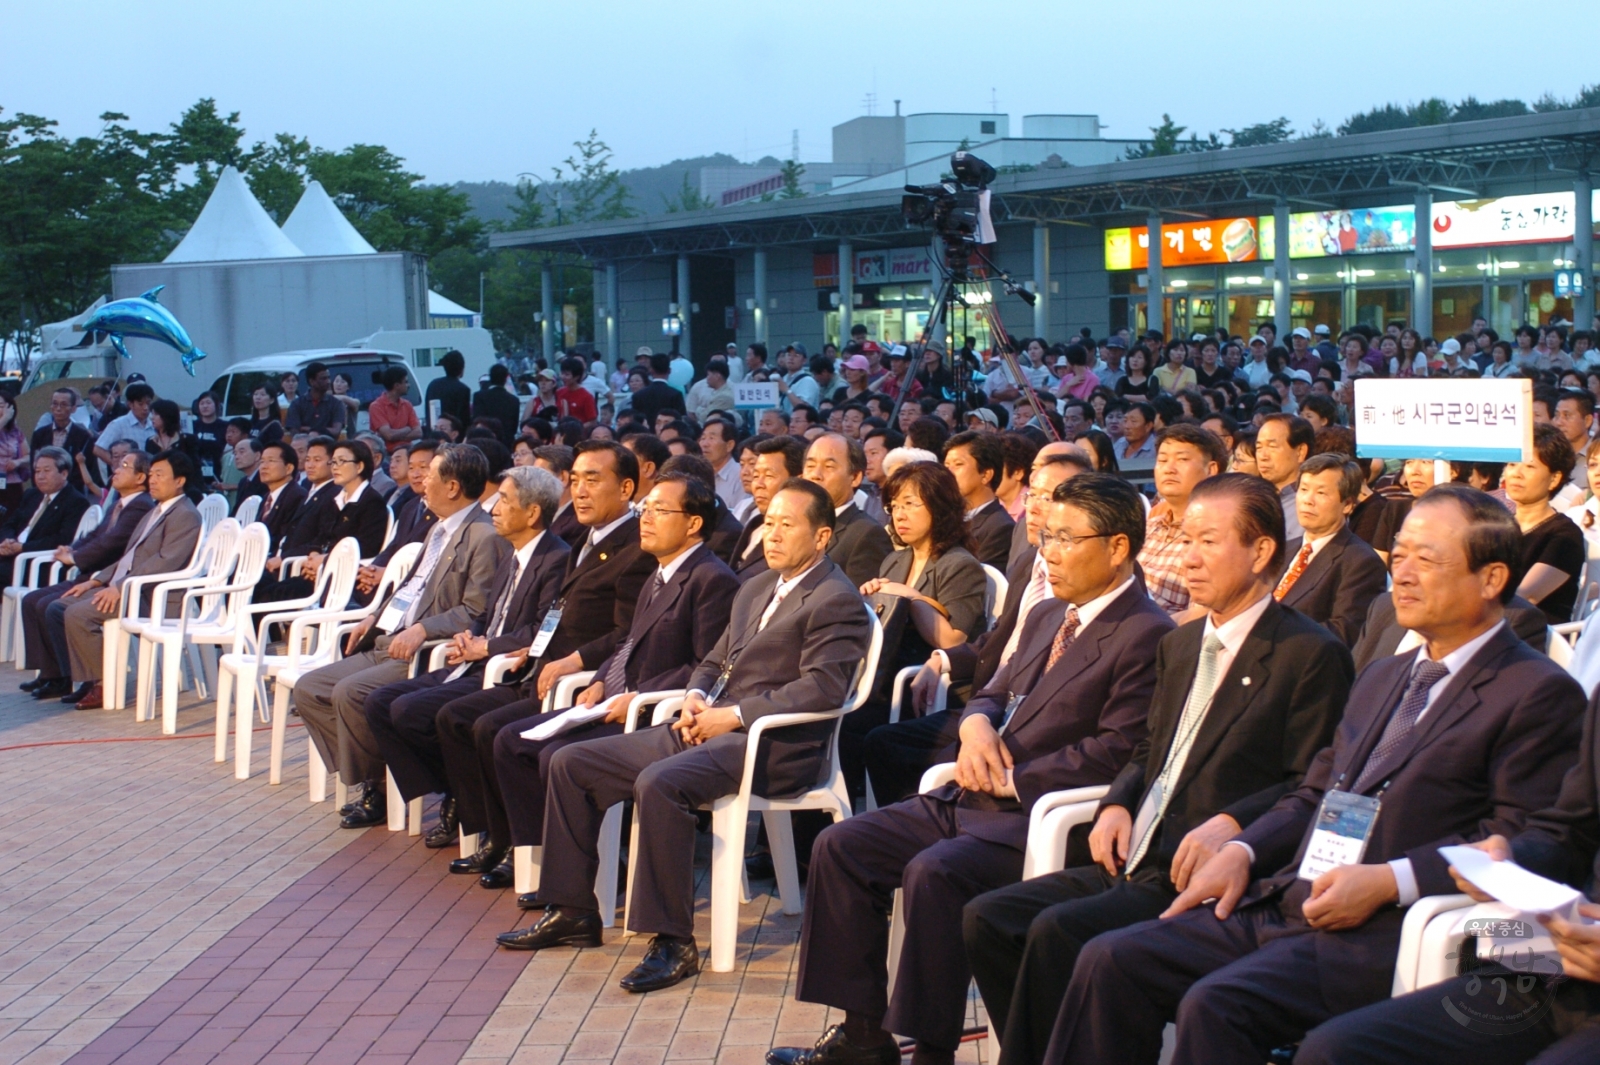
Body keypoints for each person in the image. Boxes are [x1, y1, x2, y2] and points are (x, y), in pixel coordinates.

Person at [1043, 485, 1586, 1065]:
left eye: (1425, 560)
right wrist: (1245, 851)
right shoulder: (1384, 675)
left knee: (1217, 1004)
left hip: (1387, 924)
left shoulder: (1534, 692)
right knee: (1110, 958)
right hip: (1290, 891)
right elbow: (1315, 793)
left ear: (1492, 577)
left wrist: (1390, 880)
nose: (1401, 574)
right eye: (1397, 555)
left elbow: (1521, 843)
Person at [774, 474, 1174, 1065]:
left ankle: (931, 1048)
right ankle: (863, 1034)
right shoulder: (1046, 615)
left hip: (1035, 814)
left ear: (1118, 547)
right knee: (840, 846)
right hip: (967, 796)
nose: (1049, 552)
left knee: (935, 873)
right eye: (1047, 537)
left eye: (1067, 538)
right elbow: (990, 688)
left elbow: (1120, 749)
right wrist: (975, 723)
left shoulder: (1147, 633)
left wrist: (1012, 778)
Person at [962, 473, 1353, 1065]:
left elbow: (1310, 783)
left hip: (1198, 865)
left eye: (1208, 543)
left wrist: (1232, 822)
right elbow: (1150, 747)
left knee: (1060, 933)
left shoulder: (1308, 652)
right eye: (1186, 541)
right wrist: (1118, 800)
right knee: (991, 918)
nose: (1189, 560)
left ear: (1262, 550)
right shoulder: (1182, 642)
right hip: (1136, 848)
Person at [513, 478, 871, 993]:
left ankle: (672, 941)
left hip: (774, 745)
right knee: (572, 762)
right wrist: (698, 695)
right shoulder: (757, 587)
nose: (772, 535)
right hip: (709, 727)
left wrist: (736, 715)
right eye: (768, 522)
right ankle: (572, 909)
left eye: (787, 525)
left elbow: (822, 690)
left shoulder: (835, 599)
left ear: (821, 537)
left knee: (660, 782)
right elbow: (712, 660)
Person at [1295, 693, 1600, 1064]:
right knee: (1335, 1050)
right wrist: (1508, 859)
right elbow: (1572, 830)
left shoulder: (1536, 689)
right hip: (1565, 968)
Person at [490, 472, 740, 916]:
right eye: (646, 510)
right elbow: (628, 643)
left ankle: (580, 890)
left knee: (558, 756)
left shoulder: (710, 579)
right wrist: (603, 678)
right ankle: (545, 863)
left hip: (655, 712)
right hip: (617, 701)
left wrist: (640, 693)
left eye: (660, 511)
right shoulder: (660, 573)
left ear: (694, 523)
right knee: (513, 740)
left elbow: (706, 664)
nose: (645, 520)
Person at [434, 441, 655, 884]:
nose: (581, 491)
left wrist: (576, 658)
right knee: (458, 717)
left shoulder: (635, 547)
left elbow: (628, 631)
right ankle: (496, 835)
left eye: (594, 480)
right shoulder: (587, 539)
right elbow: (558, 613)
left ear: (627, 487)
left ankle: (527, 850)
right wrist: (531, 649)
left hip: (581, 679)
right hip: (540, 666)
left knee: (495, 732)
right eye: (575, 481)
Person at [293, 444, 509, 828]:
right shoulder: (438, 528)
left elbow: (476, 611)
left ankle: (376, 788)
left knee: (350, 693)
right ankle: (376, 771)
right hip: (387, 638)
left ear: (454, 486)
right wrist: (375, 615)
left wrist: (423, 628)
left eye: (431, 475)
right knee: (309, 688)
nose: (422, 482)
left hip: (423, 650)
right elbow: (411, 586)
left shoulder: (483, 535)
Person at [866, 451, 1092, 807]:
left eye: (1048, 498)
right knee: (877, 740)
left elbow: (960, 636)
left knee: (883, 739)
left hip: (1026, 711)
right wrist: (941, 660)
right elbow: (998, 642)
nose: (1032, 507)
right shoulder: (1026, 567)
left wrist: (912, 599)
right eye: (1031, 495)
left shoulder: (1088, 584)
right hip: (990, 696)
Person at [364, 465, 570, 849]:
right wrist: (470, 636)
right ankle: (454, 790)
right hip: (476, 659)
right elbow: (489, 614)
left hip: (505, 670)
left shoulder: (556, 558)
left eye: (504, 500)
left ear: (532, 513)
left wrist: (487, 647)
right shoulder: (512, 553)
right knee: (381, 703)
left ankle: (472, 811)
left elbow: (542, 629)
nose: (493, 508)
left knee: (425, 713)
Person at [55, 451, 203, 710]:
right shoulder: (156, 510)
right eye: (152, 475)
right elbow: (130, 557)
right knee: (60, 606)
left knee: (79, 614)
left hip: (150, 597)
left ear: (179, 481)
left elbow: (165, 561)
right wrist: (97, 581)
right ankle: (89, 677)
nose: (152, 481)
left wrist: (121, 587)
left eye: (160, 475)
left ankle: (103, 684)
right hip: (130, 587)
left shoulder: (185, 515)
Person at [20, 451, 154, 700]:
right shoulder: (119, 503)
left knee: (51, 606)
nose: (116, 469)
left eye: (125, 466)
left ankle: (84, 678)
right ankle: (54, 673)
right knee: (31, 601)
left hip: (106, 576)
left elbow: (112, 544)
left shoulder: (141, 506)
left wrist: (74, 559)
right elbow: (96, 535)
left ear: (140, 478)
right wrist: (73, 549)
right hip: (92, 574)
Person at [1276, 454, 1389, 646]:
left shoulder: (1361, 562)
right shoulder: (1284, 549)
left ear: (1347, 504)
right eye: (1303, 489)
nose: (1308, 500)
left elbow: (1345, 631)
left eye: (1321, 493)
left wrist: (1273, 633)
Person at [1504, 422, 1586, 625]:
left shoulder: (1565, 537)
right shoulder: (1498, 524)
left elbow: (1526, 597)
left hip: (1532, 639)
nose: (1516, 474)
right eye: (1512, 464)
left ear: (1554, 478)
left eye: (1530, 466)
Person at [1141, 424, 1226, 616]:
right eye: (1162, 460)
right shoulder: (1148, 526)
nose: (1169, 469)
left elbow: (1202, 616)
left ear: (1211, 470)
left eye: (1182, 459)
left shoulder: (1216, 536)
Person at [805, 433, 893, 590]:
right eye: (810, 466)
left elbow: (857, 605)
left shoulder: (867, 535)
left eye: (829, 467)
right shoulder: (796, 525)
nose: (815, 475)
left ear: (855, 477)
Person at [0, 448, 89, 589]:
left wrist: (22, 547)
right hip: (11, 555)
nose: (40, 476)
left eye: (46, 471)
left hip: (37, 563)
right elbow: (10, 523)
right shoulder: (32, 494)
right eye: (37, 471)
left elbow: (62, 539)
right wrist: (7, 541)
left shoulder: (75, 502)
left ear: (64, 473)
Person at [731, 437, 805, 584]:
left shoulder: (803, 535)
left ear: (797, 481)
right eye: (756, 475)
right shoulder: (755, 524)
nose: (758, 484)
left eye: (769, 476)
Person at [944, 430, 1015, 571]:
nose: (948, 472)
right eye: (946, 465)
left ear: (986, 475)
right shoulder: (946, 518)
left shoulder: (1000, 528)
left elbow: (973, 577)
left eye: (958, 464)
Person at [1254, 413, 1313, 542]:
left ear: (1300, 451)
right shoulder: (1252, 497)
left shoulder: (1312, 503)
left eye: (1272, 447)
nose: (1263, 456)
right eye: (1259, 447)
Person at [31, 389, 96, 492]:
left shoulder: (83, 435)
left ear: (73, 408)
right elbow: (33, 465)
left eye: (64, 405)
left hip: (72, 491)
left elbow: (85, 467)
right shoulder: (40, 434)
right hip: (43, 490)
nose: (58, 408)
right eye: (55, 404)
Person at [91, 383, 154, 472]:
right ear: (130, 404)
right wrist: (120, 466)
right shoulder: (118, 424)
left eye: (148, 403)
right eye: (140, 404)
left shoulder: (154, 424)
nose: (146, 408)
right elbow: (98, 449)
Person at [698, 417, 748, 516]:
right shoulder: (698, 474)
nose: (704, 444)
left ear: (729, 445)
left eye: (711, 438)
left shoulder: (741, 475)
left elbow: (741, 517)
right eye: (703, 438)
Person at [367, 366, 421, 454]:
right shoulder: (376, 406)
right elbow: (389, 435)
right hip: (387, 454)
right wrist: (407, 429)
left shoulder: (407, 405)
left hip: (408, 451)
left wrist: (394, 437)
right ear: (396, 386)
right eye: (406, 382)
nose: (409, 385)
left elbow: (419, 433)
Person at [285, 362, 347, 437]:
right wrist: (324, 430)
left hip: (328, 446)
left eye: (328, 377)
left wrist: (309, 429)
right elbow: (294, 433)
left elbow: (336, 431)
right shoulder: (297, 404)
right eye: (323, 378)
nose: (328, 381)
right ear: (312, 381)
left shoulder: (336, 404)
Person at [630, 353, 687, 428]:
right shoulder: (676, 394)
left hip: (645, 437)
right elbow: (681, 421)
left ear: (651, 370)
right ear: (669, 371)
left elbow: (636, 423)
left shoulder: (638, 395)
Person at [425, 349, 473, 430]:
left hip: (433, 433)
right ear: (462, 368)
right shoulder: (463, 389)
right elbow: (464, 419)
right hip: (453, 435)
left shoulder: (433, 385)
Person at [687, 358, 735, 423]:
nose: (707, 378)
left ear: (717, 376)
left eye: (708, 375)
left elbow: (705, 416)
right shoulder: (718, 392)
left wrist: (699, 409)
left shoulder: (724, 396)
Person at [1111, 402, 1156, 471]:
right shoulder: (1120, 443)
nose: (1127, 426)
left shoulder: (1157, 449)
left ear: (1148, 426)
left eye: (1133, 421)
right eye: (1125, 421)